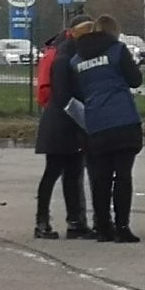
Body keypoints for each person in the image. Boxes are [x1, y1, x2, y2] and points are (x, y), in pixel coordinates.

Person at [70, 14, 144, 243]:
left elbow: (78, 92)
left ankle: (103, 227)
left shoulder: (76, 61)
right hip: (123, 119)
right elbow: (135, 80)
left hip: (96, 123)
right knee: (123, 176)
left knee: (100, 178)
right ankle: (122, 227)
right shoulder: (117, 50)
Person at [33, 14, 95, 239]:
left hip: (65, 121)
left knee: (71, 172)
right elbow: (63, 95)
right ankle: (44, 222)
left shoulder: (70, 54)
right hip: (61, 122)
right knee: (55, 172)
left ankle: (73, 222)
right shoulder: (65, 57)